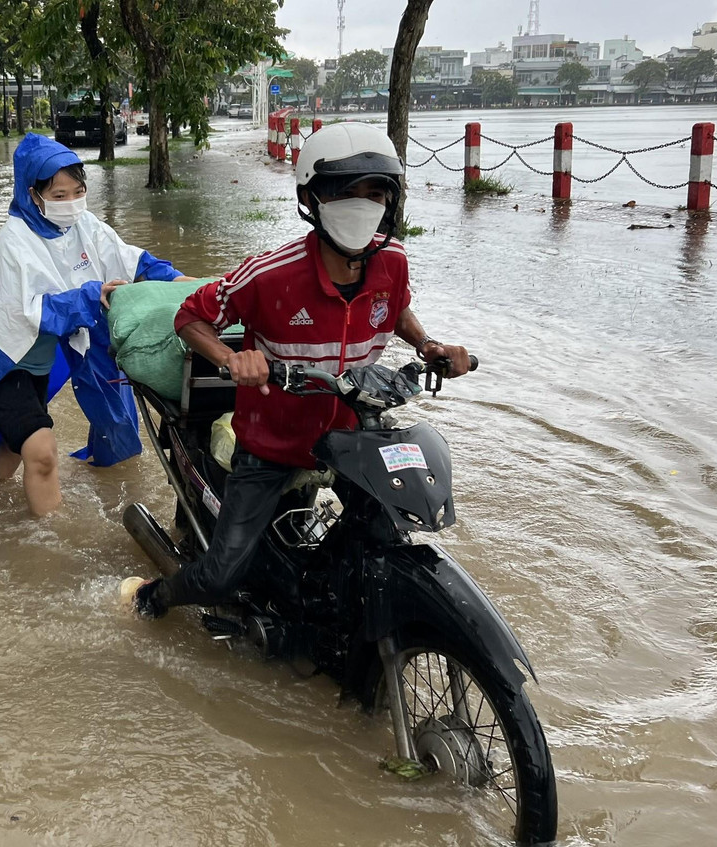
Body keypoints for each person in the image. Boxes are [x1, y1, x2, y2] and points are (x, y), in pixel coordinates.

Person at [123, 122, 471, 617]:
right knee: (223, 574)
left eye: (375, 192)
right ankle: (152, 598)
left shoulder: (393, 259)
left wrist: (429, 344)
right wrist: (230, 358)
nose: (362, 204)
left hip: (352, 437)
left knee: (383, 528)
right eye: (346, 192)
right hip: (273, 443)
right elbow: (191, 317)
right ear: (312, 197)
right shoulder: (269, 274)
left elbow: (395, 311)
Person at [0, 133, 189, 523]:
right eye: (59, 195)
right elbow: (31, 312)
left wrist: (186, 284)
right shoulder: (13, 244)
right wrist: (91, 294)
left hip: (39, 366)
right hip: (1, 364)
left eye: (78, 191)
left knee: (15, 446)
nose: (71, 202)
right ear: (33, 194)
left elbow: (131, 261)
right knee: (41, 448)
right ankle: (48, 537)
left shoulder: (83, 226)